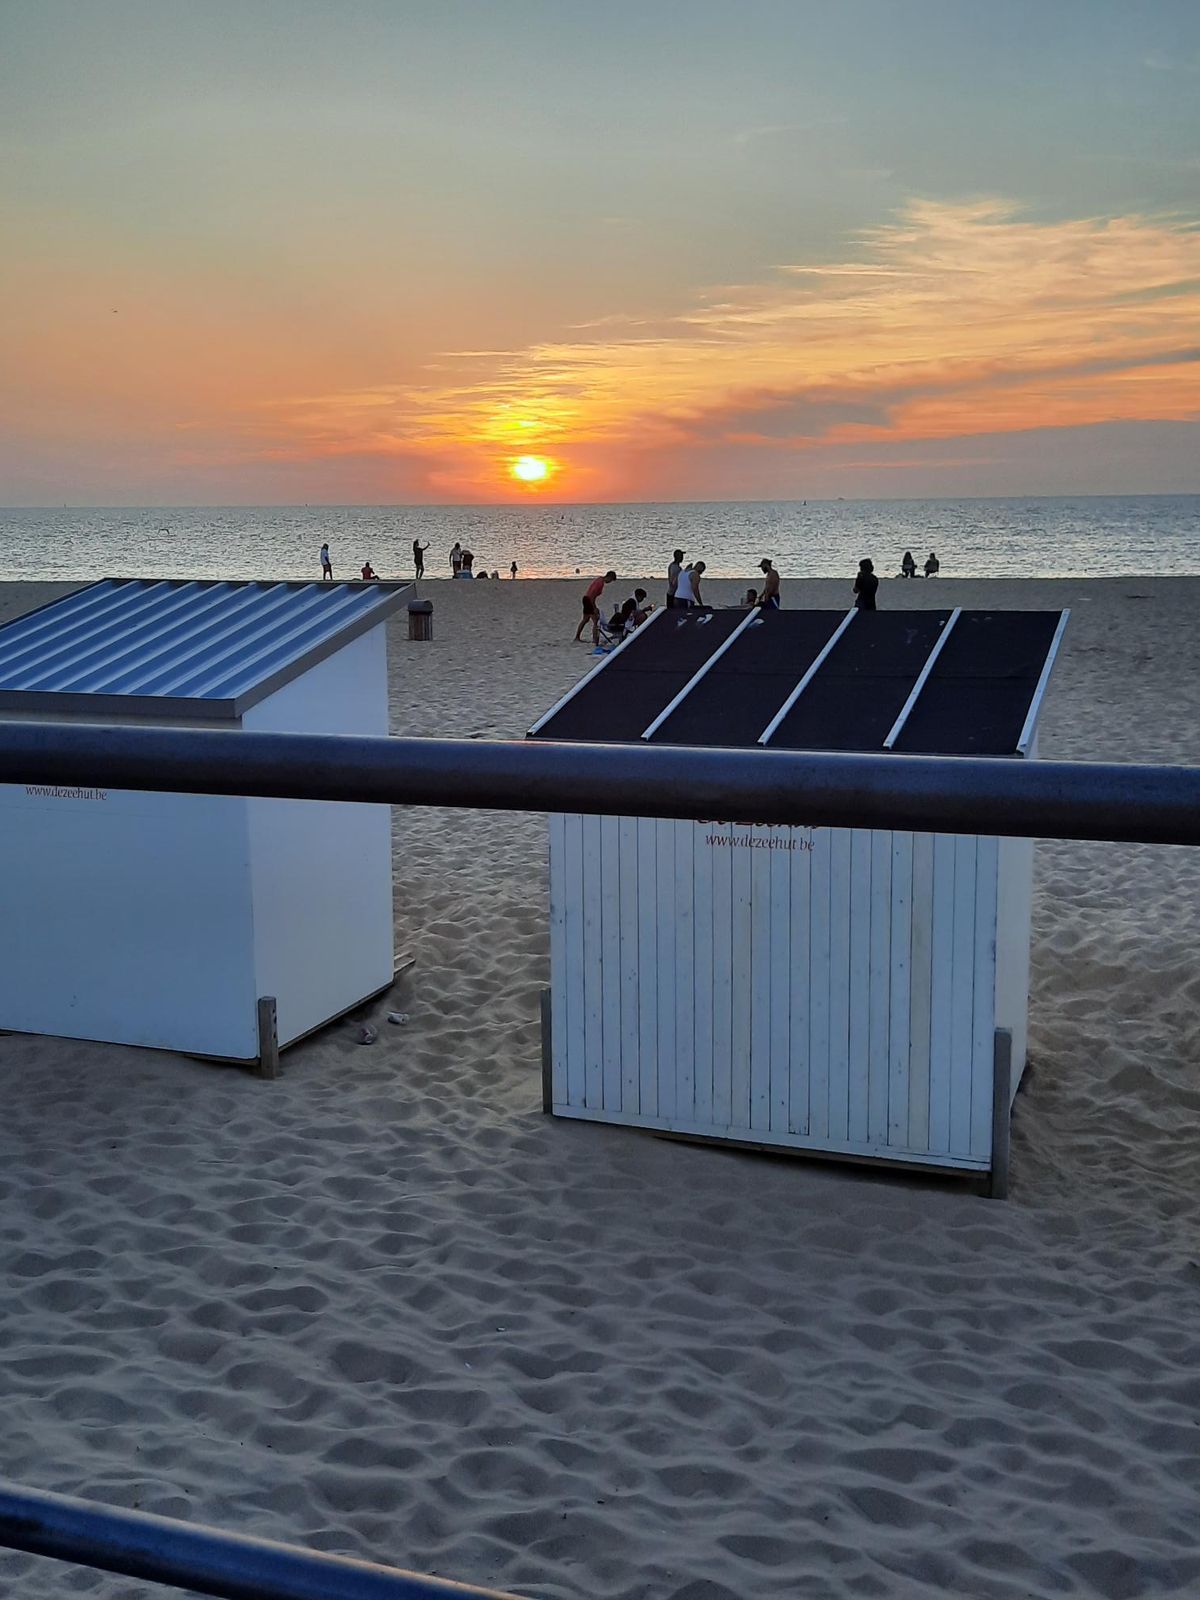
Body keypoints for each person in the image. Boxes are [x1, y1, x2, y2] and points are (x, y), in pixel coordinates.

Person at [575, 570, 618, 644]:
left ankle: (577, 637)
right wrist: (594, 608)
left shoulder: (599, 580)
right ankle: (595, 640)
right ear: (609, 577)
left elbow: (593, 596)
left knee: (585, 619)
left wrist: (594, 605)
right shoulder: (600, 583)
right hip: (588, 600)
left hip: (586, 599)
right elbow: (592, 595)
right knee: (596, 621)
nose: (610, 582)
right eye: (611, 580)